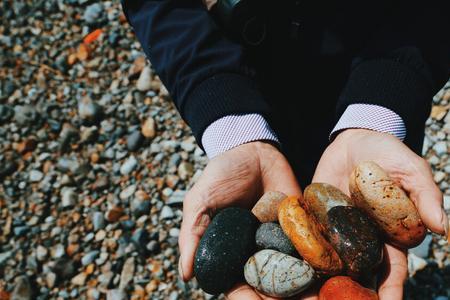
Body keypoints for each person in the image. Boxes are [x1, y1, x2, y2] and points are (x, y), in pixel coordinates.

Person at [121, 0, 450, 299]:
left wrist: (385, 102)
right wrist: (231, 124)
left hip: (381, 49)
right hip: (246, 52)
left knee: (356, 237)